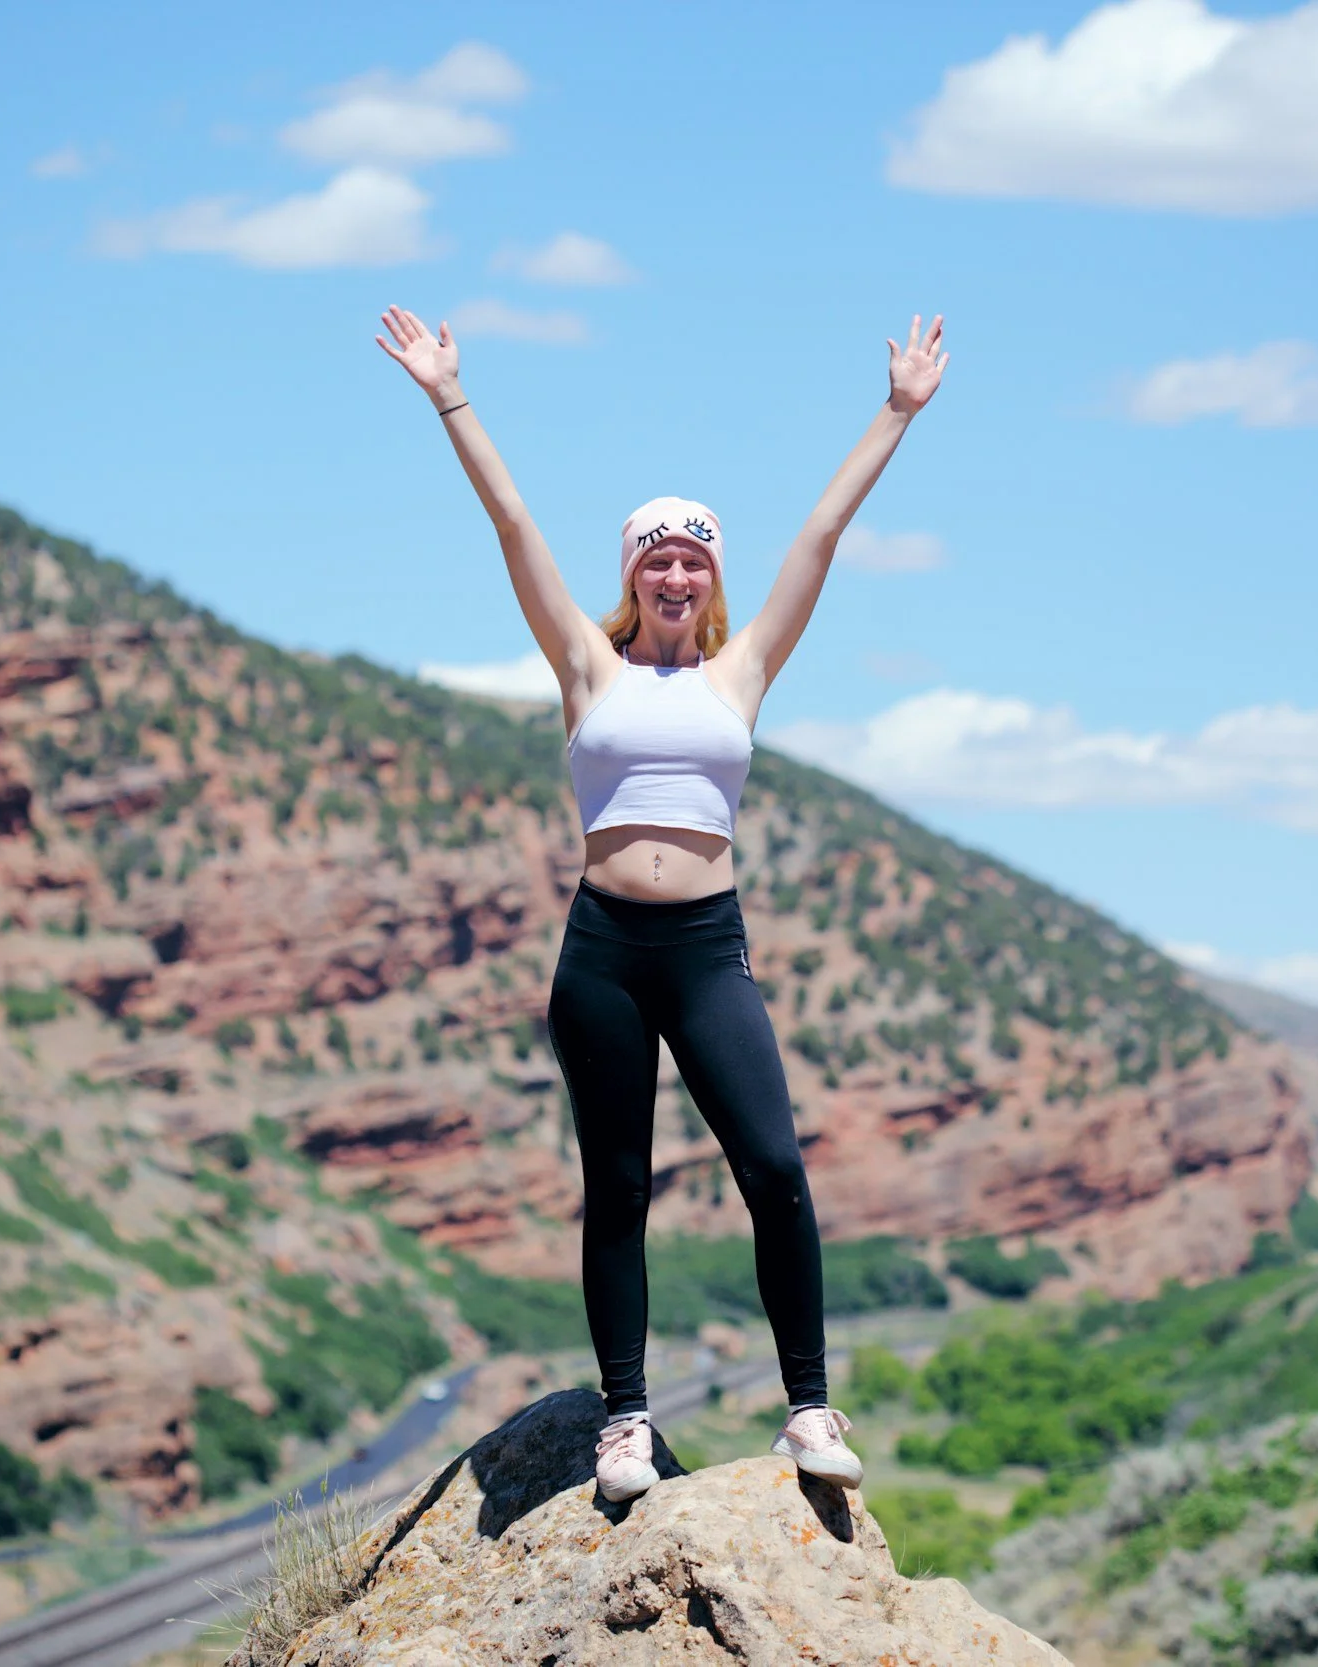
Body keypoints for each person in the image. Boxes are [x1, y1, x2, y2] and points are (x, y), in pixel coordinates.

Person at [375, 303, 949, 1502]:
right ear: (631, 572)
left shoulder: (744, 671)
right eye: (655, 555)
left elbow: (823, 533)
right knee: (620, 1187)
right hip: (601, 951)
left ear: (712, 577)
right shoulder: (588, 663)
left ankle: (807, 1405)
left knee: (775, 1166)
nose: (676, 570)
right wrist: (448, 396)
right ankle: (623, 1420)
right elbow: (514, 521)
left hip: (702, 945)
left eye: (693, 556)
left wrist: (894, 412)